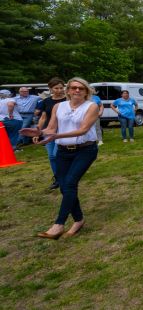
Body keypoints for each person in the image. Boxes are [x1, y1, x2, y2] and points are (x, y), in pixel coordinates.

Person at [20, 77, 99, 239]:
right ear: (68, 90)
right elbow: (51, 127)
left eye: (81, 88)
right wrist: (40, 132)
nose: (77, 91)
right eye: (74, 88)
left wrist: (56, 135)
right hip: (63, 151)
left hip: (85, 150)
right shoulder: (58, 106)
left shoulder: (91, 106)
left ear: (86, 92)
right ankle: (78, 219)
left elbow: (83, 130)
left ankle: (58, 224)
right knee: (64, 187)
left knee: (70, 183)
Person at [34, 78, 66, 190]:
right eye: (56, 88)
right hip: (48, 131)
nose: (59, 90)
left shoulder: (68, 100)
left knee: (57, 154)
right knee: (51, 156)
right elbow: (43, 117)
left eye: (61, 88)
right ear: (51, 89)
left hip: (63, 131)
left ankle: (63, 176)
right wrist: (38, 131)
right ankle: (57, 178)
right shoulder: (46, 101)